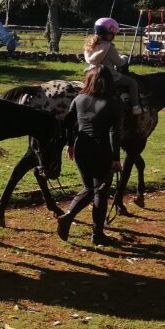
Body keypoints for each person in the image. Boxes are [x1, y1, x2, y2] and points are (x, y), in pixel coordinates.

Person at [57, 65, 124, 246]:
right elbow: (114, 133)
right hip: (101, 149)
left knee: (88, 187)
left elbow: (67, 124)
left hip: (81, 147)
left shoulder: (79, 99)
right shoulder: (113, 103)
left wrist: (70, 144)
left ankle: (72, 218)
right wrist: (116, 159)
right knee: (99, 192)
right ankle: (93, 231)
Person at [84, 17, 143, 115]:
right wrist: (124, 57)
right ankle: (136, 107)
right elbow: (119, 63)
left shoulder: (90, 45)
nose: (114, 36)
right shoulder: (109, 47)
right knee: (132, 82)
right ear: (108, 34)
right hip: (108, 76)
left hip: (91, 74)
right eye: (113, 34)